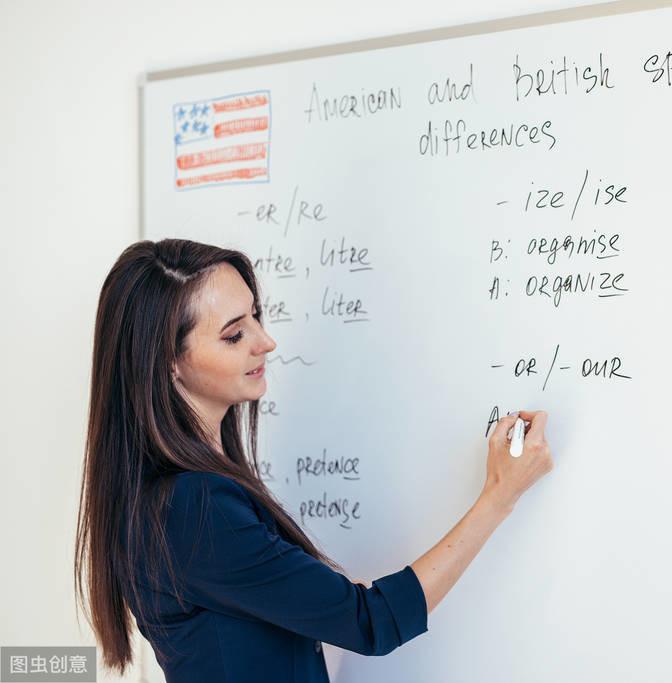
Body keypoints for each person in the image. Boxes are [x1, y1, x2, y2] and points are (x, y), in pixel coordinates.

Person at [73, 238, 554, 682]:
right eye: (234, 335)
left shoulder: (177, 496)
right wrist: (500, 495)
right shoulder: (196, 508)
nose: (265, 342)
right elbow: (372, 623)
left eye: (256, 318)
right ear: (169, 363)